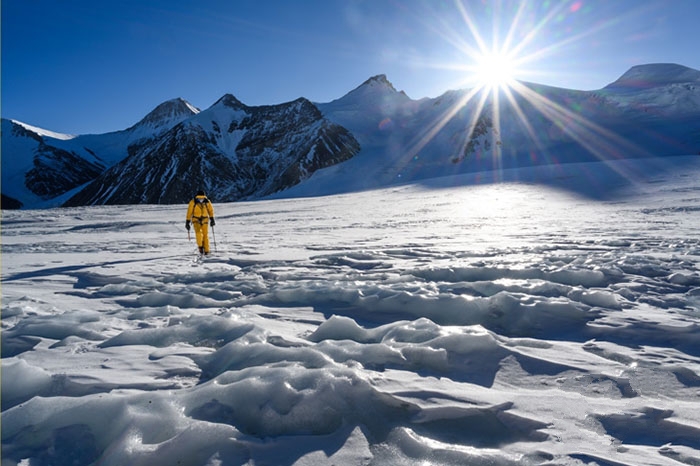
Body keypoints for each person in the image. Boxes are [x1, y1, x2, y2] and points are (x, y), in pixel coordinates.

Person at [185, 190, 216, 255]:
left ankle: (204, 249)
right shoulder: (202, 201)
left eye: (202, 198)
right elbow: (211, 211)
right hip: (198, 220)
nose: (201, 199)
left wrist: (212, 218)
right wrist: (187, 221)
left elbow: (210, 210)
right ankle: (203, 248)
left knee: (202, 234)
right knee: (201, 234)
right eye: (200, 198)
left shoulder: (203, 202)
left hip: (203, 220)